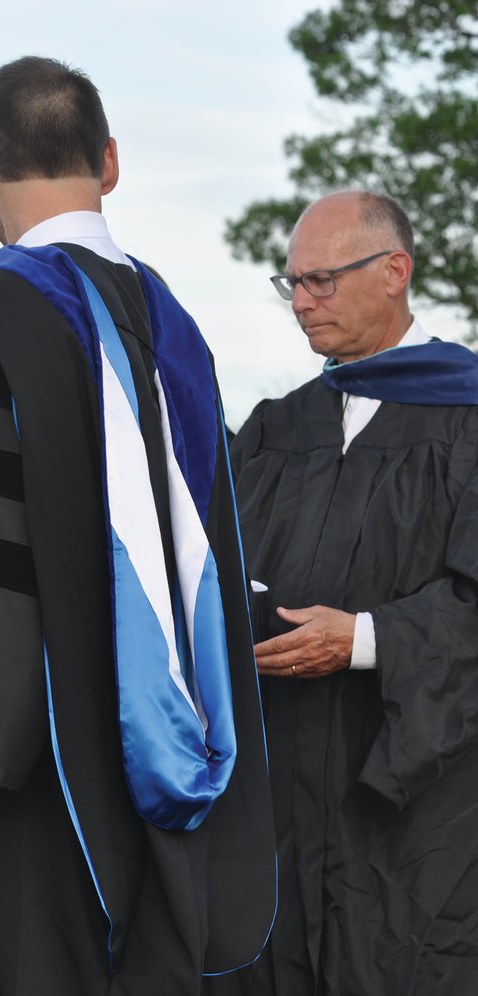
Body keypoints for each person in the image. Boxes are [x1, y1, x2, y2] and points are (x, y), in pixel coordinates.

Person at [0, 56, 277, 993]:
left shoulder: (3, 302)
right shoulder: (175, 321)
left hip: (31, 766)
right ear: (110, 163)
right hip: (165, 756)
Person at [229, 190, 478, 994]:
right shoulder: (272, 431)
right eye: (292, 283)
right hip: (277, 818)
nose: (302, 302)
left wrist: (365, 639)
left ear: (394, 272)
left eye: (323, 281)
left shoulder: (468, 417)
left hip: (418, 821)